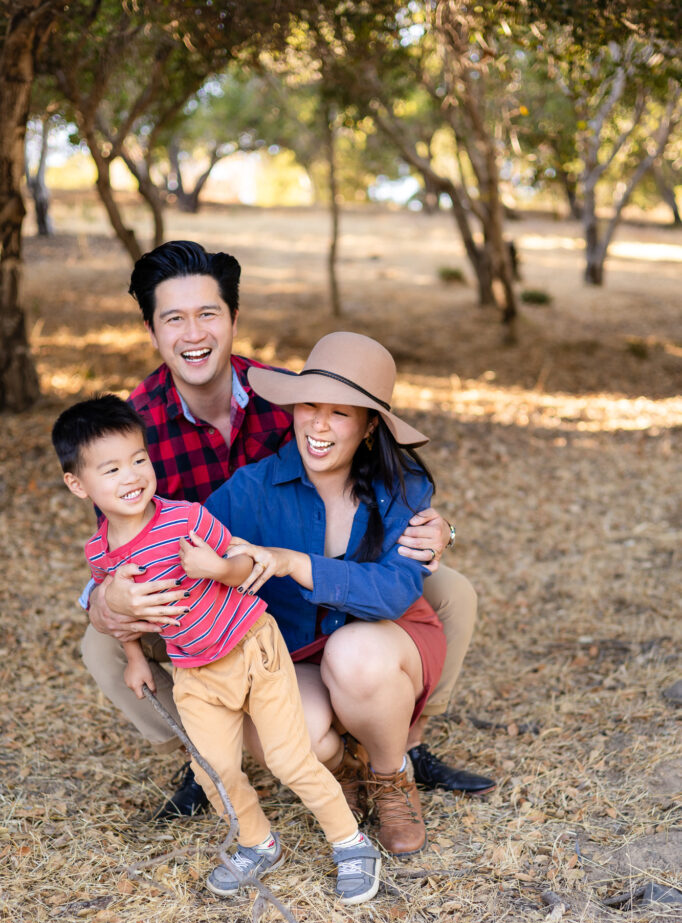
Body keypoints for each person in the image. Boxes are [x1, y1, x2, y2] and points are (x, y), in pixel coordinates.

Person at [81, 240, 492, 820]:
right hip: (208, 581)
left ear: (233, 319)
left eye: (208, 314)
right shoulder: (133, 429)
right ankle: (207, 752)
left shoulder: (294, 397)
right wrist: (103, 598)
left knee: (450, 590)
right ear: (152, 330)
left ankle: (404, 741)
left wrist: (441, 529)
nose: (193, 333)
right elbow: (117, 535)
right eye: (174, 318)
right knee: (101, 640)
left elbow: (382, 477)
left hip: (303, 571)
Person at [53, 395, 381, 904]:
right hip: (195, 671)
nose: (132, 476)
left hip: (252, 648)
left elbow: (243, 565)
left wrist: (215, 568)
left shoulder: (184, 518)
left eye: (139, 459)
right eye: (112, 468)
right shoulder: (100, 552)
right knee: (213, 769)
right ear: (79, 485)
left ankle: (350, 842)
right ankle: (257, 842)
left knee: (289, 759)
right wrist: (137, 658)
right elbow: (122, 618)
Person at [203, 332, 456, 855]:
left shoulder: (401, 486)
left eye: (340, 413)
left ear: (368, 428)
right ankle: (345, 768)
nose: (318, 425)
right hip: (293, 650)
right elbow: (185, 545)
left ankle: (390, 776)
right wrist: (116, 586)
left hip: (383, 643)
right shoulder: (251, 489)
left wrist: (297, 564)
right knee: (282, 731)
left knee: (355, 652)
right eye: (309, 406)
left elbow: (392, 592)